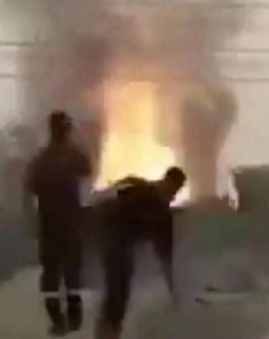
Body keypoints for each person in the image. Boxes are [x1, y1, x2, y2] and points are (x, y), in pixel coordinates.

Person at [93, 166, 187, 339]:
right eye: (172, 188)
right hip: (113, 243)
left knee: (119, 293)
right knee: (117, 292)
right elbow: (103, 199)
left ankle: (108, 332)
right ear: (165, 181)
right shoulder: (136, 187)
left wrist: (173, 287)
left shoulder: (163, 216)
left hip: (120, 248)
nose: (172, 194)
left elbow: (165, 254)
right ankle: (106, 333)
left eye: (175, 191)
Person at [24, 111, 92, 336]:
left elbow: (29, 193)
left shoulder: (40, 160)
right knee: (71, 271)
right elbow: (86, 190)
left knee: (51, 275)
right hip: (70, 225)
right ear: (67, 130)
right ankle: (74, 318)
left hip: (49, 225)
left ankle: (58, 320)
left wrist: (30, 221)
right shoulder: (77, 157)